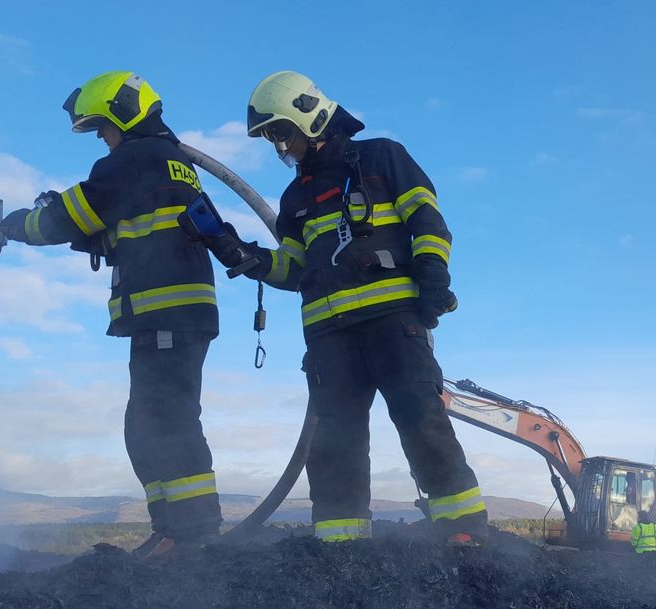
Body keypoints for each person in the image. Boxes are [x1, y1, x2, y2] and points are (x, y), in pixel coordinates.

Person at [205, 71, 488, 546]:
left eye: (281, 131)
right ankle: (342, 549)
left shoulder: (381, 157)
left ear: (307, 115)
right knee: (334, 444)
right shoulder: (295, 196)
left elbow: (428, 221)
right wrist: (247, 257)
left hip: (394, 322)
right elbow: (295, 269)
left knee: (421, 421)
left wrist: (433, 279)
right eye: (273, 136)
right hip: (328, 339)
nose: (280, 146)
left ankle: (464, 538)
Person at [0, 71, 222, 557]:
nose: (102, 136)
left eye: (103, 125)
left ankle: (195, 539)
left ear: (124, 113)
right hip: (170, 312)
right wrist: (89, 232)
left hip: (167, 311)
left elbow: (67, 217)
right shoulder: (169, 162)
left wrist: (17, 225)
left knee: (166, 419)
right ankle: (173, 531)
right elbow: (119, 229)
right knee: (146, 422)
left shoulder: (133, 159)